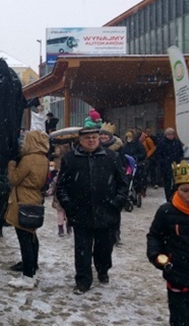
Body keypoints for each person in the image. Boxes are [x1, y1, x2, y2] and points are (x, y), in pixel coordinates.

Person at [56, 126, 128, 294]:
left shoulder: (111, 157)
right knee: (82, 249)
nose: (91, 140)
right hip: (81, 212)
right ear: (80, 141)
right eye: (87, 138)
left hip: (106, 211)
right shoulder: (70, 159)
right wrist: (68, 205)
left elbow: (123, 184)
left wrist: (117, 202)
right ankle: (83, 280)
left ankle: (103, 270)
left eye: (94, 137)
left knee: (104, 247)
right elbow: (62, 186)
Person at [147, 159, 189, 325]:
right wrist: (158, 256)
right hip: (179, 275)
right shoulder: (166, 211)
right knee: (181, 318)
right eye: (185, 190)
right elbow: (155, 236)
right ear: (177, 189)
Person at [4, 130, 49, 289]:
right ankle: (33, 268)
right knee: (31, 236)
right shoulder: (43, 158)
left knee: (24, 238)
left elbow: (15, 179)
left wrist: (11, 165)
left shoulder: (28, 159)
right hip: (35, 198)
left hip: (23, 198)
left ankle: (28, 276)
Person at [155, 127, 185, 202]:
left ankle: (174, 195)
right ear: (166, 135)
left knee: (176, 181)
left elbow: (180, 152)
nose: (171, 136)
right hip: (166, 165)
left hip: (176, 164)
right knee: (167, 182)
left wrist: (180, 160)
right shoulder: (162, 143)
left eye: (172, 134)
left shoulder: (177, 142)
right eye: (169, 135)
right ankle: (168, 197)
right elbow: (158, 154)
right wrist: (163, 162)